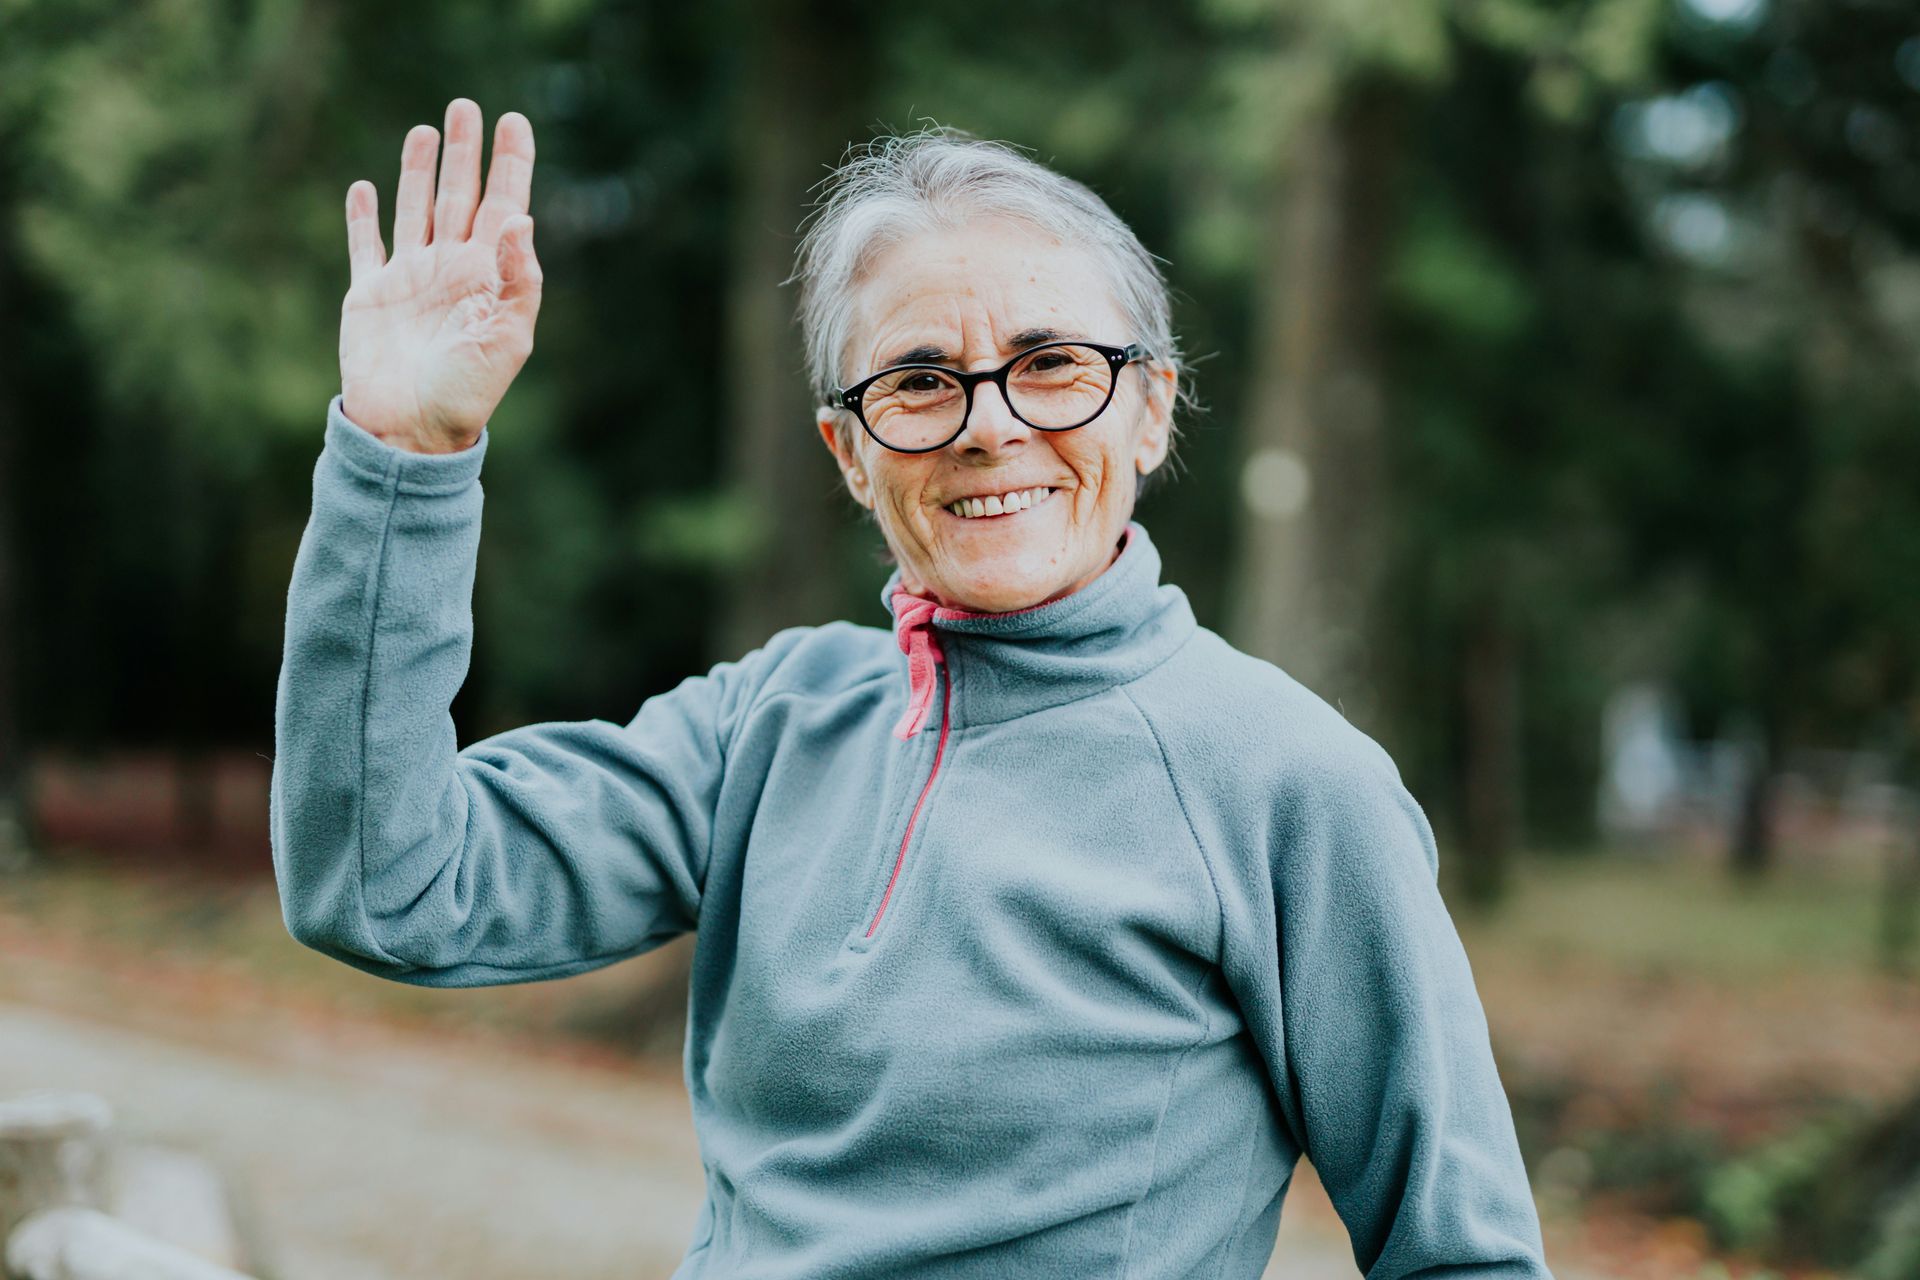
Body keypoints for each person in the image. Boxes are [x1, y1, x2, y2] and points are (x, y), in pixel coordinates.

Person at [272, 97, 1556, 1279]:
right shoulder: (769, 722)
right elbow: (385, 884)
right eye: (920, 381)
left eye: (1054, 362)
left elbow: (1465, 1254)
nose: (990, 424)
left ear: (1152, 409)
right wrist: (408, 456)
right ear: (848, 450)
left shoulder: (1288, 780)